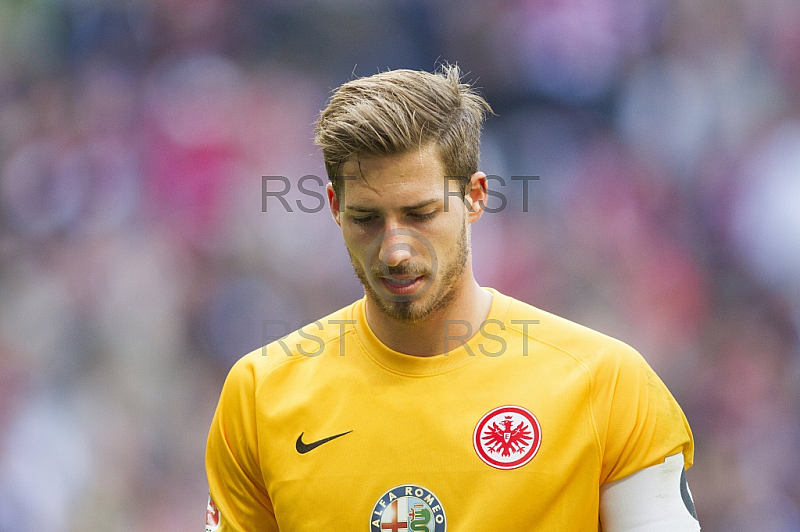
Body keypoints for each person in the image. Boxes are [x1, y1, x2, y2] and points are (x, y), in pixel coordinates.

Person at [204, 65, 701, 531]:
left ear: (476, 197)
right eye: (367, 219)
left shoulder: (606, 385)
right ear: (334, 208)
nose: (395, 251)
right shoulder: (259, 395)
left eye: (421, 214)